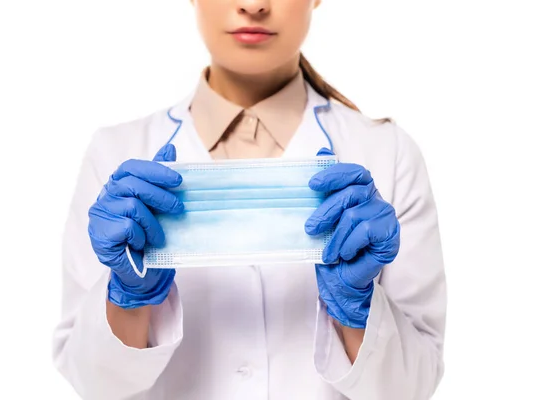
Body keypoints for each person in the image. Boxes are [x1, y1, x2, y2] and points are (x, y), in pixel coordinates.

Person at [52, 0, 447, 399]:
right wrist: (129, 296)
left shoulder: (388, 153)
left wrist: (358, 310)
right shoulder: (114, 153)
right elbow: (94, 384)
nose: (253, 4)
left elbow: (411, 389)